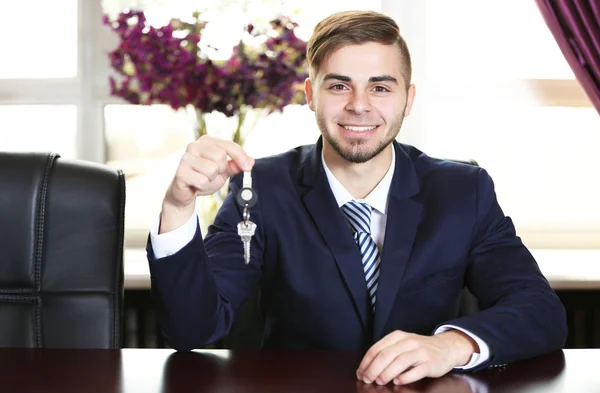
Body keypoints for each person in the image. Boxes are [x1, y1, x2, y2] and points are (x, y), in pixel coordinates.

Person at [147, 10, 567, 386]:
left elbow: (540, 311)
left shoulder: (462, 191)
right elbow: (192, 332)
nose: (359, 106)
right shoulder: (262, 189)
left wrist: (451, 346)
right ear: (311, 95)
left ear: (408, 99)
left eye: (380, 88)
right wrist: (178, 205)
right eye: (339, 86)